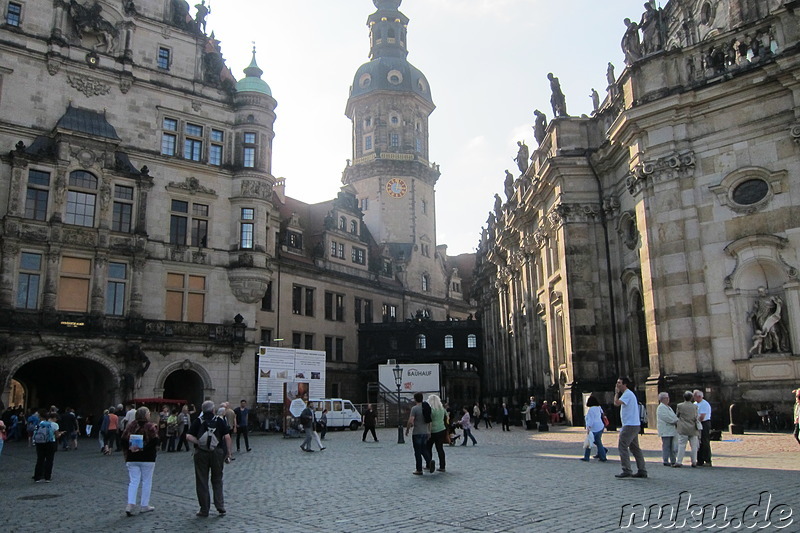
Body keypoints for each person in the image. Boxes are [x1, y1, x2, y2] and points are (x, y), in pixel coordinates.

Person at [187, 400, 231, 517]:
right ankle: (220, 506)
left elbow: (188, 436)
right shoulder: (219, 421)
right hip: (217, 452)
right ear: (213, 410)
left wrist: (200, 443)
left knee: (202, 480)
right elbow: (227, 437)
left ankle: (204, 509)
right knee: (217, 479)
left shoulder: (198, 421)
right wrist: (229, 453)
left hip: (201, 453)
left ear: (202, 410)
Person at [121, 406, 160, 516]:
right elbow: (155, 440)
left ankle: (130, 504)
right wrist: (143, 448)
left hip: (132, 457)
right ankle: (144, 505)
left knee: (133, 481)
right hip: (147, 458)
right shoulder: (150, 426)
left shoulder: (131, 425)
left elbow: (123, 439)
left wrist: (130, 448)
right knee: (146, 481)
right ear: (146, 415)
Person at [613, 377, 647, 479]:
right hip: (633, 424)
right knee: (635, 448)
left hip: (629, 425)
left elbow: (616, 403)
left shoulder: (627, 394)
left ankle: (626, 470)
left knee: (622, 446)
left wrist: (616, 393)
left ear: (625, 384)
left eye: (619, 383)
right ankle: (642, 470)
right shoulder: (628, 394)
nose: (617, 384)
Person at [405, 392, 433, 475]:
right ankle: (429, 461)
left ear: (415, 399)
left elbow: (411, 420)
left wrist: (407, 429)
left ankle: (419, 469)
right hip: (425, 432)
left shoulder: (415, 408)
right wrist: (429, 431)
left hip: (417, 432)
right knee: (424, 449)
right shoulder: (426, 408)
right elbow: (430, 421)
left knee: (417, 451)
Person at [33, 410, 61, 482]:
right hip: (50, 443)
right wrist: (61, 434)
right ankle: (47, 477)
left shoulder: (40, 423)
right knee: (49, 460)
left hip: (40, 443)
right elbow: (57, 435)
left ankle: (37, 477)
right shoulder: (54, 425)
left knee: (40, 460)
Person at [674, 391, 700, 467]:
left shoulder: (680, 406)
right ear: (691, 398)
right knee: (694, 446)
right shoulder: (694, 407)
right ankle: (694, 461)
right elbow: (696, 417)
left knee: (682, 445)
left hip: (683, 427)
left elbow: (677, 415)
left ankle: (679, 461)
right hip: (693, 428)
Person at [425, 394, 447, 473]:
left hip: (432, 430)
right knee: (440, 448)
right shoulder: (442, 409)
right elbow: (447, 416)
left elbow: (428, 421)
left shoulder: (431, 410)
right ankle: (442, 466)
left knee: (428, 448)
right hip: (441, 429)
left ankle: (429, 464)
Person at [656, 392, 678, 466]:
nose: (668, 399)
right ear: (662, 399)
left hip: (671, 430)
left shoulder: (668, 407)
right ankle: (665, 460)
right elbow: (666, 417)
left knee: (672, 446)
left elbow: (673, 416)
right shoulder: (661, 407)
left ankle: (673, 460)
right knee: (666, 446)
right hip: (666, 430)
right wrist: (674, 421)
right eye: (666, 398)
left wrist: (676, 420)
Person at [582, 396, 607, 462]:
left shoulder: (591, 410)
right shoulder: (599, 407)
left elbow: (591, 420)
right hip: (600, 426)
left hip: (594, 428)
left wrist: (588, 427)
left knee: (589, 442)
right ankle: (602, 453)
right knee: (598, 442)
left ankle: (586, 457)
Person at [694, 390, 712, 467]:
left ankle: (707, 460)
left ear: (699, 397)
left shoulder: (704, 404)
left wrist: (696, 421)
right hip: (697, 423)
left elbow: (702, 416)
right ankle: (700, 460)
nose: (693, 398)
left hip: (704, 423)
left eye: (695, 396)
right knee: (698, 442)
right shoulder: (695, 404)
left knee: (705, 441)